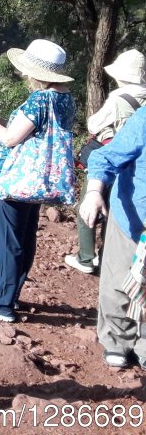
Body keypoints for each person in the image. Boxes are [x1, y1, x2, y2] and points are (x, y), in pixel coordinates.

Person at [0, 39, 76, 323]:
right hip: (40, 180)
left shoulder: (41, 99)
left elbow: (9, 138)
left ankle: (4, 303)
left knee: (10, 241)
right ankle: (6, 289)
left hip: (19, 181)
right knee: (25, 238)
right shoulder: (65, 98)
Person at [65, 50, 146, 274]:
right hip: (134, 166)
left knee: (89, 205)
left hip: (110, 158)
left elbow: (93, 125)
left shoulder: (118, 98)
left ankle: (86, 257)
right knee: (116, 208)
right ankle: (107, 256)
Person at [82, 109, 146, 368]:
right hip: (132, 216)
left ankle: (143, 344)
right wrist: (94, 192)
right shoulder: (144, 118)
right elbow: (105, 157)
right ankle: (116, 340)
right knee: (119, 279)